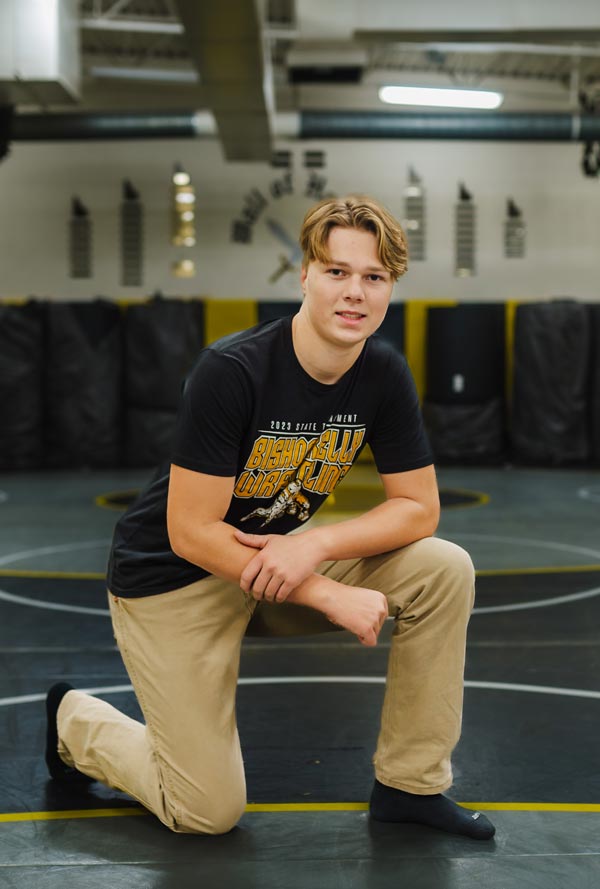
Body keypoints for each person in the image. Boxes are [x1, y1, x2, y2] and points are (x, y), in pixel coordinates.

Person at [45, 194, 495, 841]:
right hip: (172, 579)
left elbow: (420, 507)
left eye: (374, 277)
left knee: (445, 568)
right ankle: (75, 722)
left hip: (270, 563)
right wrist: (324, 592)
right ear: (305, 274)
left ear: (391, 287)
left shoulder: (383, 373)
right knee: (207, 812)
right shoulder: (232, 370)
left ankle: (410, 785)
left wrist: (314, 546)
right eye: (337, 271)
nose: (355, 292)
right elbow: (189, 532)